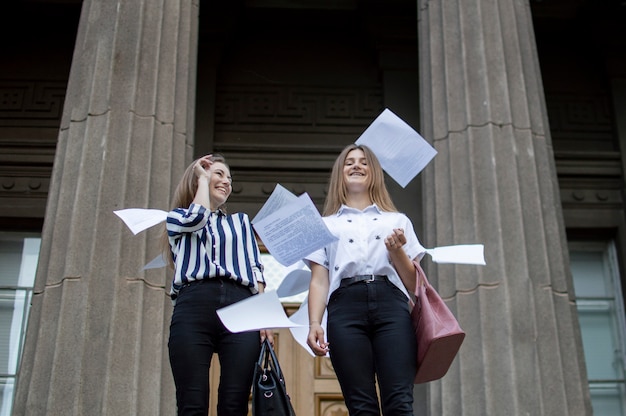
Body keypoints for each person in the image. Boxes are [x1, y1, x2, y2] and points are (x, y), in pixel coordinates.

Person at [306, 144, 425, 415]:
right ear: (340, 172)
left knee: (400, 402)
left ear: (374, 173)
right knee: (361, 406)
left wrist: (397, 252)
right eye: (349, 162)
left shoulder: (397, 220)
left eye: (364, 162)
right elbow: (319, 280)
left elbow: (413, 284)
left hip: (392, 307)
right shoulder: (324, 225)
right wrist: (315, 322)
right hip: (344, 309)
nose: (356, 166)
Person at [162, 154, 273, 416]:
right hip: (193, 307)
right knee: (192, 403)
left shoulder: (241, 222)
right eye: (219, 174)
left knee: (234, 404)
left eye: (229, 178)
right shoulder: (177, 217)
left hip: (241, 306)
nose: (226, 182)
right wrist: (201, 177)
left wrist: (263, 317)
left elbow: (256, 269)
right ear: (199, 178)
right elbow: (196, 219)